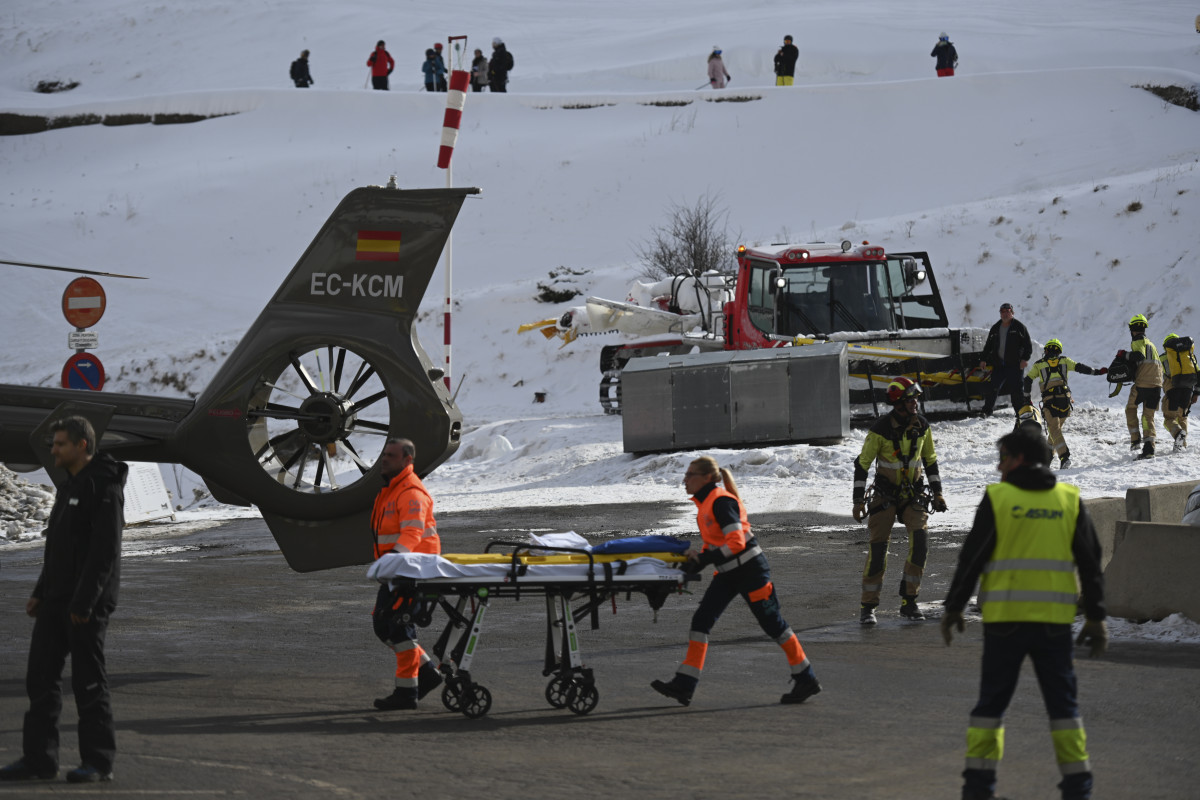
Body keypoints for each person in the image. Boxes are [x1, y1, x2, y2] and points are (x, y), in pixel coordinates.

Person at [941, 427, 1107, 800]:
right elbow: (1091, 563)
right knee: (1064, 709)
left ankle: (978, 790)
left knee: (990, 708)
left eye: (1002, 457)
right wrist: (1096, 616)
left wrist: (954, 607)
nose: (999, 467)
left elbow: (972, 558)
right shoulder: (1068, 499)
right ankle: (1078, 789)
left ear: (1018, 459)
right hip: (1055, 626)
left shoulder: (999, 499)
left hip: (1005, 625)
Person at [0, 416, 127, 784]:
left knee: (88, 683)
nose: (52, 450)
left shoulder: (103, 486)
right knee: (40, 679)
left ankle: (98, 762)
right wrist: (41, 592)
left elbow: (104, 552)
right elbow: (59, 547)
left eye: (59, 444)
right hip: (57, 601)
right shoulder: (71, 484)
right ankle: (39, 759)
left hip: (86, 605)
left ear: (81, 446)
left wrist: (85, 603)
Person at [651, 456, 822, 707]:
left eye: (690, 475)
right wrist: (696, 560)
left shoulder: (721, 502)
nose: (684, 480)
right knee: (701, 621)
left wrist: (705, 559)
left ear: (707, 478)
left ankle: (806, 678)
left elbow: (737, 542)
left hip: (751, 572)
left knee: (774, 624)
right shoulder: (706, 503)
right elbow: (716, 542)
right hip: (729, 573)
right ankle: (684, 684)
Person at [852, 377, 946, 624]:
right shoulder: (879, 430)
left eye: (916, 399)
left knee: (921, 543)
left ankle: (909, 602)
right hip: (884, 496)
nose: (916, 403)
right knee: (878, 549)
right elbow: (862, 465)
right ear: (899, 403)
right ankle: (868, 607)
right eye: (911, 399)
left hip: (912, 496)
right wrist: (858, 500)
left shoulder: (923, 427)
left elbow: (930, 461)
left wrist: (938, 493)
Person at [370, 438, 444, 710]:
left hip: (411, 571)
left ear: (407, 461)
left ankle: (407, 693)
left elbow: (412, 533)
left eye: (391, 455)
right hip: (397, 571)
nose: (384, 459)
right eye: (384, 454)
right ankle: (426, 674)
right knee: (384, 625)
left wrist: (392, 561)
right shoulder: (391, 490)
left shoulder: (411, 492)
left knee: (398, 627)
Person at [1021, 338, 1107, 470]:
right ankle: (1047, 459)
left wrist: (1027, 399)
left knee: (1054, 430)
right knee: (1054, 431)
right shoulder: (1065, 361)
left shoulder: (1039, 365)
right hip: (1065, 403)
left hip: (1050, 402)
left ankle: (1064, 457)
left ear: (1046, 350)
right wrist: (1098, 371)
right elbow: (1081, 368)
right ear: (1059, 351)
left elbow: (1027, 380)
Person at [979, 302, 1033, 418]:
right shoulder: (995, 328)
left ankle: (1019, 412)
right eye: (1002, 312)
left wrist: (1024, 359)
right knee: (993, 388)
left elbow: (1028, 346)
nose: (1005, 314)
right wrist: (983, 359)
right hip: (999, 365)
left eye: (1007, 312)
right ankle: (987, 411)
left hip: (1015, 365)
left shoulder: (1019, 327)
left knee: (1016, 390)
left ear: (1012, 313)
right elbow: (988, 346)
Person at [1120, 313, 1163, 458]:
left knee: (1130, 409)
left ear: (1132, 329)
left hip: (1143, 385)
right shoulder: (1152, 345)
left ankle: (1135, 439)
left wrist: (1124, 355)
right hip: (1157, 385)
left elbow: (1139, 356)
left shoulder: (1137, 341)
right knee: (1148, 416)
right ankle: (1149, 447)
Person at [1159, 332, 1197, 451]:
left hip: (1172, 390)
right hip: (1187, 390)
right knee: (1182, 417)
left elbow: (1156, 375)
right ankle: (1182, 445)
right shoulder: (1188, 356)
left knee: (1169, 419)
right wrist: (1196, 393)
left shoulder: (1162, 358)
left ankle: (1178, 433)